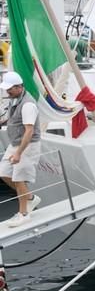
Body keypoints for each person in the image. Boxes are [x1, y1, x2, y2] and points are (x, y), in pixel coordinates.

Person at [0, 71, 41, 227]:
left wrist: (18, 153)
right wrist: (3, 122)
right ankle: (30, 198)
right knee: (3, 172)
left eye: (9, 89)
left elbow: (29, 131)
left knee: (19, 178)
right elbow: (13, 119)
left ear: (19, 87)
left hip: (27, 146)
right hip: (16, 143)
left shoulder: (28, 104)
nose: (7, 91)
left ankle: (23, 214)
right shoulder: (15, 99)